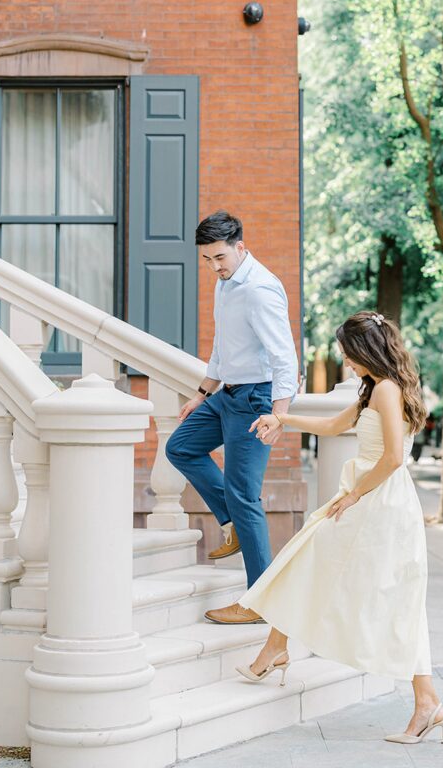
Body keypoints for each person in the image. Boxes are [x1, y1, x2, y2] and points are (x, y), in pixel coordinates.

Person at [235, 311, 443, 745]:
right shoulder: (377, 387)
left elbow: (393, 458)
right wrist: (283, 419)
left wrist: (354, 496)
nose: (345, 361)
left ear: (365, 350)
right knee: (309, 561)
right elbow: (335, 425)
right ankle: (276, 647)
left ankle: (426, 700)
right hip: (372, 498)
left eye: (348, 353)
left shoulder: (386, 390)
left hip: (379, 503)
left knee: (392, 598)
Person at [165, 211, 299, 624]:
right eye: (207, 259)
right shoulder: (226, 283)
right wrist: (202, 393)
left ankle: (259, 601)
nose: (214, 267)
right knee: (180, 447)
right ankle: (233, 521)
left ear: (240, 247)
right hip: (227, 394)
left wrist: (279, 415)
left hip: (257, 399)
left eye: (220, 257)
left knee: (245, 495)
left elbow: (284, 356)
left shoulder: (260, 289)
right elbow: (223, 347)